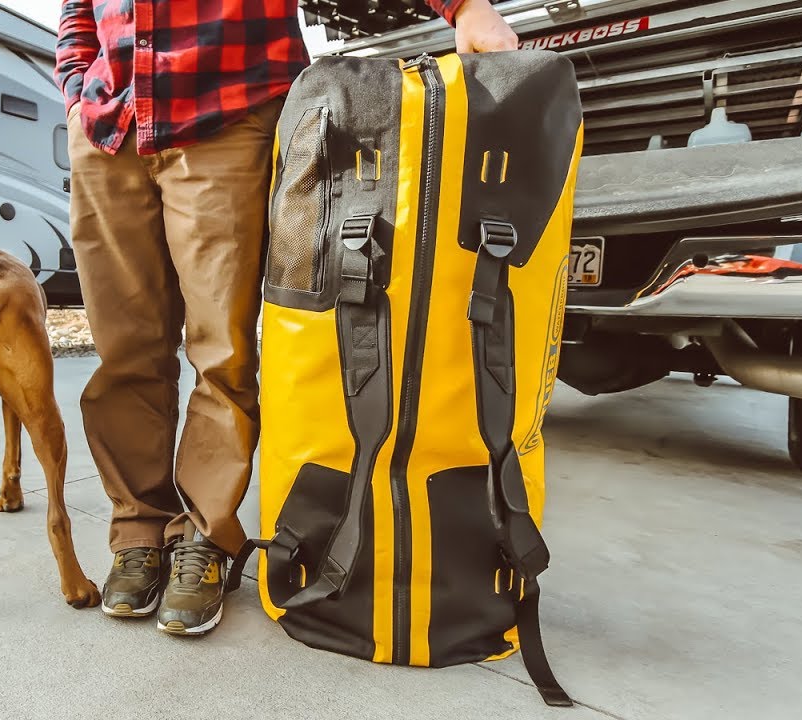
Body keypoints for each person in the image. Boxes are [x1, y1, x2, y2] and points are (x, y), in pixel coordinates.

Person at [55, 0, 519, 636]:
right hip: (110, 126)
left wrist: (465, 7)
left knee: (221, 348)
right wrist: (77, 89)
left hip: (225, 109)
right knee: (123, 351)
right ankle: (137, 530)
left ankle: (205, 536)